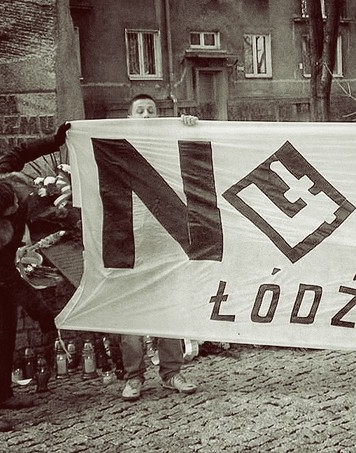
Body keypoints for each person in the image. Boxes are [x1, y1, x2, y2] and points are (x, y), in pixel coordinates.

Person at [0, 124, 69, 432]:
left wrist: (55, 141)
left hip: (0, 272)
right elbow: (9, 279)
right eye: (12, 208)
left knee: (7, 329)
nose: (18, 205)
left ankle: (2, 393)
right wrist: (43, 314)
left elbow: (20, 152)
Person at [120, 94, 198, 401]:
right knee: (130, 317)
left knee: (168, 312)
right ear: (128, 118)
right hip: (129, 247)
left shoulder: (166, 144)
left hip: (164, 244)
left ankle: (171, 373)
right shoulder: (116, 145)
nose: (146, 115)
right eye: (139, 111)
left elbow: (193, 153)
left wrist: (190, 127)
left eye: (151, 111)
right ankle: (133, 377)